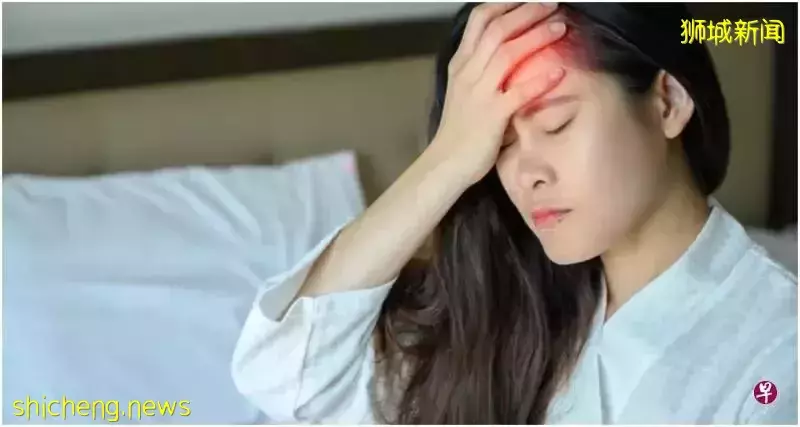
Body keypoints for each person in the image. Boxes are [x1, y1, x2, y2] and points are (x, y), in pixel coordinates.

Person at [231, 2, 798, 424]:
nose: (528, 174)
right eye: (500, 142)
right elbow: (286, 378)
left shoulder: (775, 354)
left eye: (556, 124)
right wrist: (448, 159)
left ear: (668, 101)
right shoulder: (501, 314)